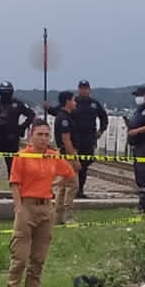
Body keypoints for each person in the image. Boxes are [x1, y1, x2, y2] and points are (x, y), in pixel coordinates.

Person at [5, 119, 76, 287]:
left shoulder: (53, 156)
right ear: (31, 136)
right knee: (20, 253)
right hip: (27, 206)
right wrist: (18, 207)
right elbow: (14, 182)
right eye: (40, 134)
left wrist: (56, 184)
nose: (44, 138)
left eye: (46, 135)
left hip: (46, 206)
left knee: (39, 254)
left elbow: (70, 175)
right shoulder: (22, 156)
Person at [71, 79, 109, 198]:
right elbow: (60, 111)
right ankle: (71, 189)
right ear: (78, 89)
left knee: (84, 165)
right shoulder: (74, 102)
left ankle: (80, 189)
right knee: (72, 165)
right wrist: (48, 108)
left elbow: (104, 118)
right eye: (81, 88)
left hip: (88, 138)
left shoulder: (94, 104)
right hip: (75, 138)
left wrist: (101, 131)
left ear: (89, 89)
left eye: (85, 88)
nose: (83, 90)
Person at [53, 91, 79, 224]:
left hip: (63, 154)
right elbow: (66, 140)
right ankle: (68, 217)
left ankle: (58, 217)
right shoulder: (64, 118)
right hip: (67, 155)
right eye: (73, 100)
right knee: (71, 186)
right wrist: (74, 159)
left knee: (62, 187)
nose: (75, 103)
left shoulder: (64, 116)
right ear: (68, 101)